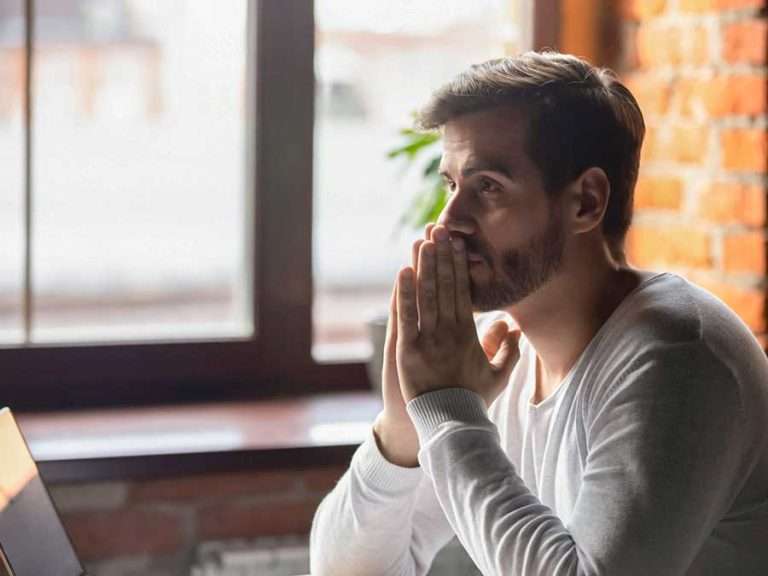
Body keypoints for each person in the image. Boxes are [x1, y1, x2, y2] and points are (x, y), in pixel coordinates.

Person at [309, 51, 768, 575]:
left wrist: (448, 410)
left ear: (585, 202)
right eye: (452, 185)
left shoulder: (678, 358)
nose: (448, 220)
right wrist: (400, 432)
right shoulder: (502, 353)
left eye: (488, 187)